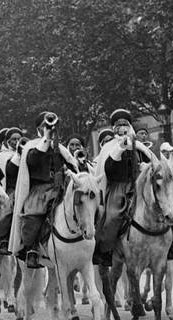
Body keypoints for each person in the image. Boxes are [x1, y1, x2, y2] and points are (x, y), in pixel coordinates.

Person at [8, 111, 78, 269]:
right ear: (39, 129)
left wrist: (68, 171)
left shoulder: (60, 148)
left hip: (60, 188)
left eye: (51, 125)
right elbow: (32, 161)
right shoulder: (32, 146)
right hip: (39, 191)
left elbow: (73, 166)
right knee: (33, 216)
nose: (49, 128)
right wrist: (46, 138)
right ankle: (31, 249)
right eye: (44, 126)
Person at [93, 108, 155, 265]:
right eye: (119, 124)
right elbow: (108, 169)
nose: (122, 127)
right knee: (112, 217)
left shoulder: (138, 145)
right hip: (118, 189)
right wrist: (120, 148)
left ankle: (169, 245)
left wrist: (145, 167)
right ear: (114, 128)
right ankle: (105, 251)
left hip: (138, 187)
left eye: (125, 124)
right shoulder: (109, 148)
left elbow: (153, 165)